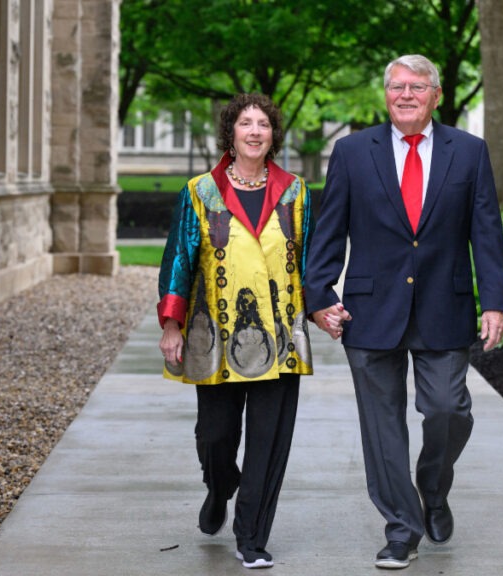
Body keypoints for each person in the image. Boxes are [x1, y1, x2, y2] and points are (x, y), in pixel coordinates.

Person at [303, 54, 503, 570]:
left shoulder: (469, 151)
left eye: (418, 87)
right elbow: (329, 229)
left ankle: (433, 490)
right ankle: (401, 528)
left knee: (447, 411)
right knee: (382, 428)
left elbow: (486, 232)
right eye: (398, 86)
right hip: (370, 312)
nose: (407, 95)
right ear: (386, 94)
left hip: (446, 305)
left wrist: (495, 303)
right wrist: (319, 296)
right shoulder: (351, 151)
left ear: (436, 95)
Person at [157, 93, 314, 570]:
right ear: (230, 133)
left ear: (273, 135)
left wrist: (323, 309)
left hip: (280, 336)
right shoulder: (200, 191)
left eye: (263, 124)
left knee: (269, 442)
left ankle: (252, 536)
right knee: (216, 435)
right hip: (215, 337)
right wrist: (171, 324)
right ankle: (219, 484)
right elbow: (179, 259)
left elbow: (309, 262)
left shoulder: (296, 191)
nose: (254, 131)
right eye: (245, 123)